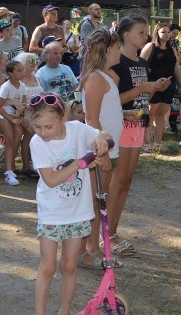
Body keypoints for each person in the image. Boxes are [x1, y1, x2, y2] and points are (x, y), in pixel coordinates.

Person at [30, 92, 111, 315]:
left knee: (69, 265)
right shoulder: (37, 143)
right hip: (51, 214)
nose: (42, 132)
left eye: (48, 127)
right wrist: (81, 162)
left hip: (78, 212)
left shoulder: (77, 129)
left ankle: (64, 311)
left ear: (63, 119)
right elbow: (52, 180)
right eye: (38, 127)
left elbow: (102, 134)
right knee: (47, 266)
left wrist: (101, 139)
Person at [107, 15, 169, 257]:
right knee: (117, 182)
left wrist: (154, 87)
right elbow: (112, 102)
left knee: (127, 182)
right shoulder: (116, 63)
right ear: (126, 35)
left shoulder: (142, 63)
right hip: (122, 126)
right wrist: (141, 88)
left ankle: (113, 231)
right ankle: (107, 235)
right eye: (141, 32)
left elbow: (142, 97)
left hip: (139, 125)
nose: (146, 36)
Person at [78, 29, 125, 270]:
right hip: (101, 151)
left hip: (109, 149)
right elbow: (92, 119)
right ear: (108, 50)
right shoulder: (96, 78)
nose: (120, 50)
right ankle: (89, 253)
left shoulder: (105, 76)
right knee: (96, 202)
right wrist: (102, 153)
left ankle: (90, 251)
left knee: (98, 202)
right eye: (118, 46)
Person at [140, 23, 181, 150]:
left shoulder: (172, 49)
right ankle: (147, 142)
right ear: (157, 33)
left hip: (169, 86)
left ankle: (158, 143)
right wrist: (144, 85)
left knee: (161, 114)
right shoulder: (150, 46)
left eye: (168, 32)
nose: (166, 34)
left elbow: (176, 69)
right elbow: (140, 65)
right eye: (163, 32)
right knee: (150, 114)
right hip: (153, 85)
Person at [0, 59, 32, 185]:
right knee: (10, 140)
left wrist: (20, 116)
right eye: (19, 70)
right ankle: (8, 172)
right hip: (4, 116)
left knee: (18, 135)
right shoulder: (6, 86)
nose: (22, 72)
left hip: (14, 116)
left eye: (22, 69)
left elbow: (22, 104)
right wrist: (12, 119)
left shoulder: (22, 86)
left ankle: (11, 166)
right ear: (10, 73)